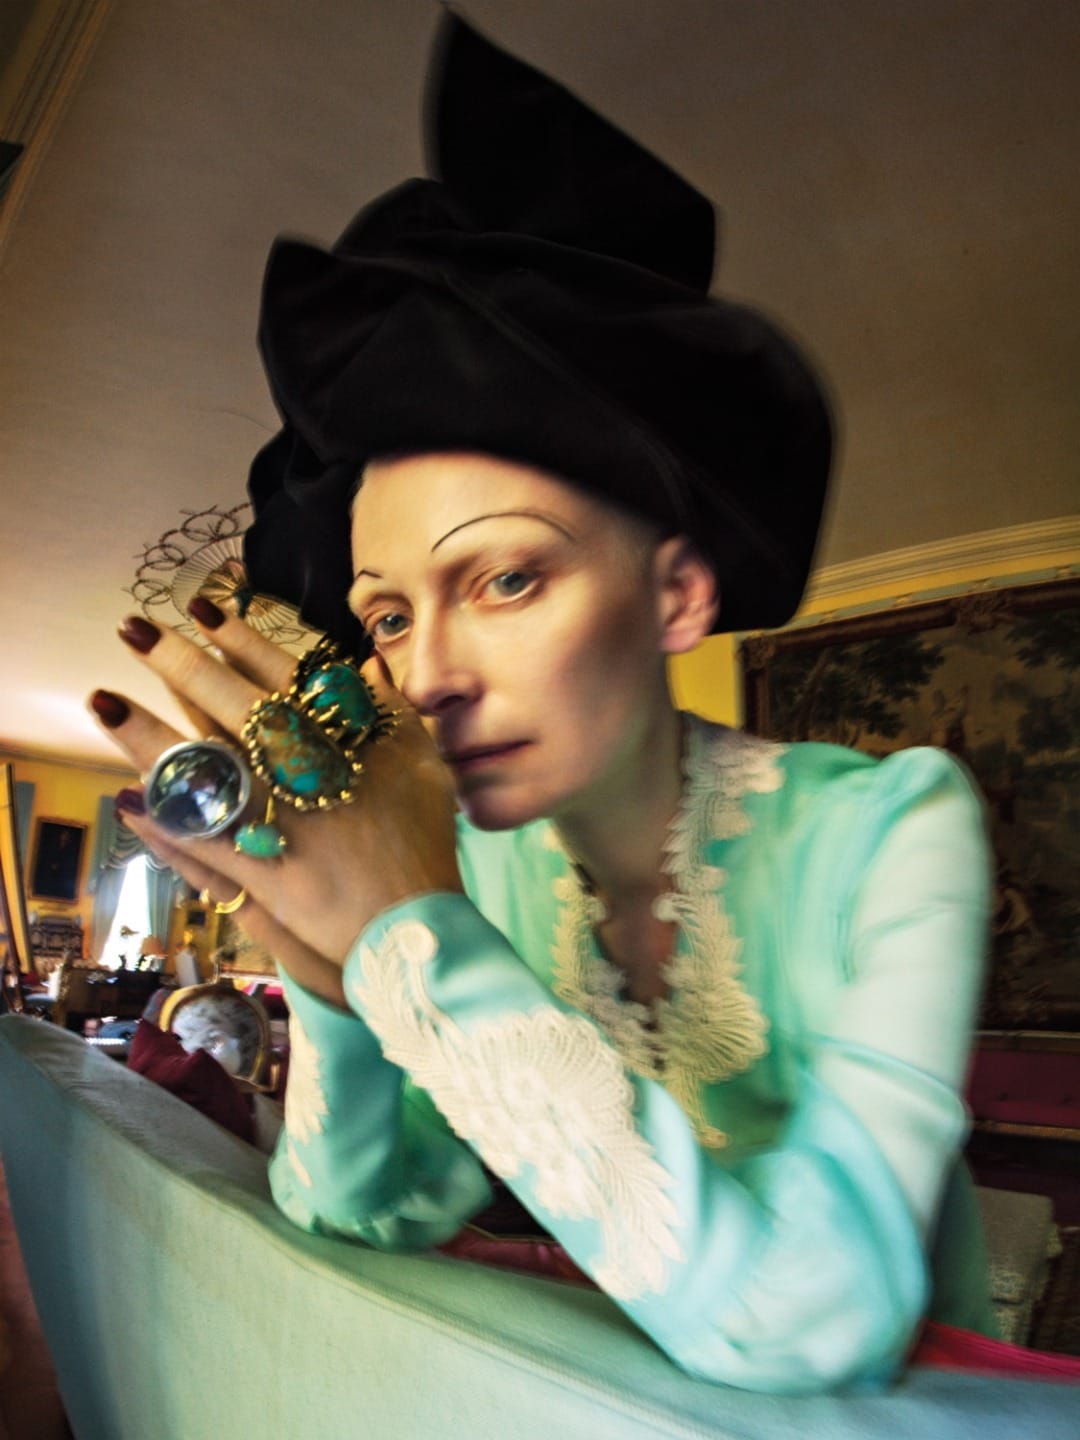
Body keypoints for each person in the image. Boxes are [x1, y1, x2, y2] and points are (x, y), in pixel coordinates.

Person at [90, 16, 994, 1394]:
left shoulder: (895, 831)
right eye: (388, 613)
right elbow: (361, 1214)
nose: (425, 671)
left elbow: (819, 1316)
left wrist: (414, 934)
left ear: (678, 597)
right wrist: (336, 981)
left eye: (504, 577)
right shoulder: (489, 868)